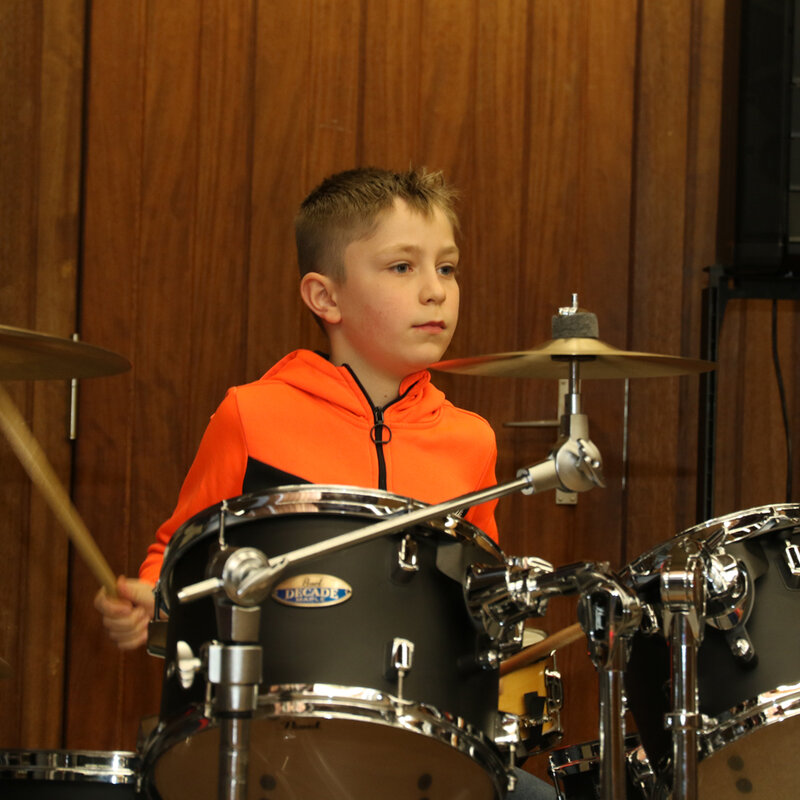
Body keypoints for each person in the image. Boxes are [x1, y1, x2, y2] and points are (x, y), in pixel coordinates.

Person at [95, 166, 556, 799]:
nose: (436, 292)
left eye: (447, 268)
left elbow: (478, 597)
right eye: (403, 267)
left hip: (416, 740)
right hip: (271, 728)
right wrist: (149, 598)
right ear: (325, 297)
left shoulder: (469, 439)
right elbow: (180, 553)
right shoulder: (253, 415)